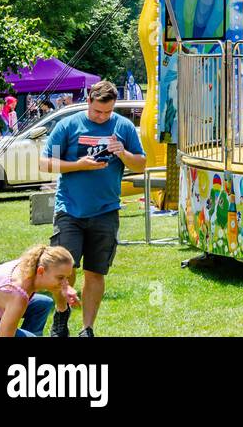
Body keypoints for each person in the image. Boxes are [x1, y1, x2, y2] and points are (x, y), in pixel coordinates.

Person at [39, 80, 145, 337]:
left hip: (106, 211)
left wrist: (123, 153)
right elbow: (45, 163)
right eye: (98, 111)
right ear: (88, 100)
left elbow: (141, 164)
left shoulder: (124, 127)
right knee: (65, 269)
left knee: (95, 272)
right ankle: (62, 314)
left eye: (108, 112)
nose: (102, 117)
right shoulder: (67, 126)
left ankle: (87, 329)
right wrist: (79, 165)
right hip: (69, 210)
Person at [0, 244, 76, 338]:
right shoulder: (17, 295)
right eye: (60, 278)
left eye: (67, 277)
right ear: (41, 271)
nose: (65, 282)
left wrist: (63, 290)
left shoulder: (29, 265)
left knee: (43, 304)